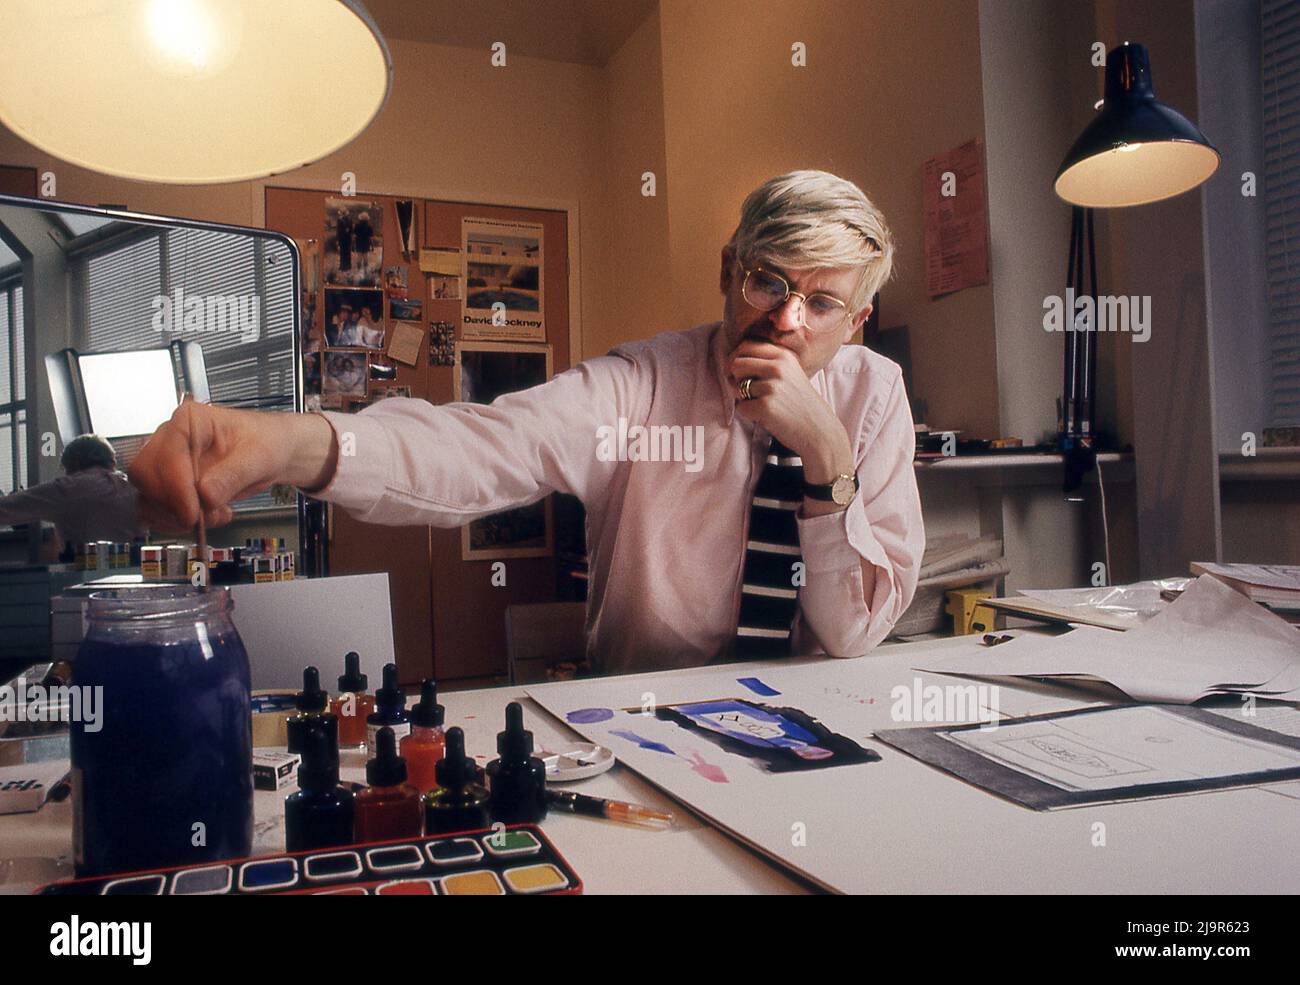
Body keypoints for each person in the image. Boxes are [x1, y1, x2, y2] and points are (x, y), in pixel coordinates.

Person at [130, 171, 925, 673]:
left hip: (818, 719)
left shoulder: (877, 396)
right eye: (766, 282)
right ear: (727, 270)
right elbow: (486, 445)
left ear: (855, 321)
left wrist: (827, 453)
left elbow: (853, 636)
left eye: (821, 303)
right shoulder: (642, 384)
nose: (788, 319)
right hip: (647, 717)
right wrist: (295, 442)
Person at [0, 434, 144, 548]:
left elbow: (6, 510)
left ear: (70, 464)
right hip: (138, 571)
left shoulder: (68, 489)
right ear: (112, 461)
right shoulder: (134, 487)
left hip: (85, 572)